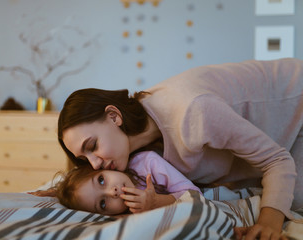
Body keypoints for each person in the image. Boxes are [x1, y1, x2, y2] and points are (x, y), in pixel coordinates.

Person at [58, 58, 303, 240]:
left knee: (292, 201)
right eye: (84, 159)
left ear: (114, 117)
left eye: (92, 146)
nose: (95, 164)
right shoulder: (130, 157)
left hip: (295, 107)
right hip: (270, 143)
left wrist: (269, 224)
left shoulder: (194, 111)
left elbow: (276, 161)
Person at [54, 151, 202, 215]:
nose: (113, 192)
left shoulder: (148, 163)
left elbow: (195, 194)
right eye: (103, 204)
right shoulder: (124, 215)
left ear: (101, 168)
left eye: (101, 180)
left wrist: (156, 202)